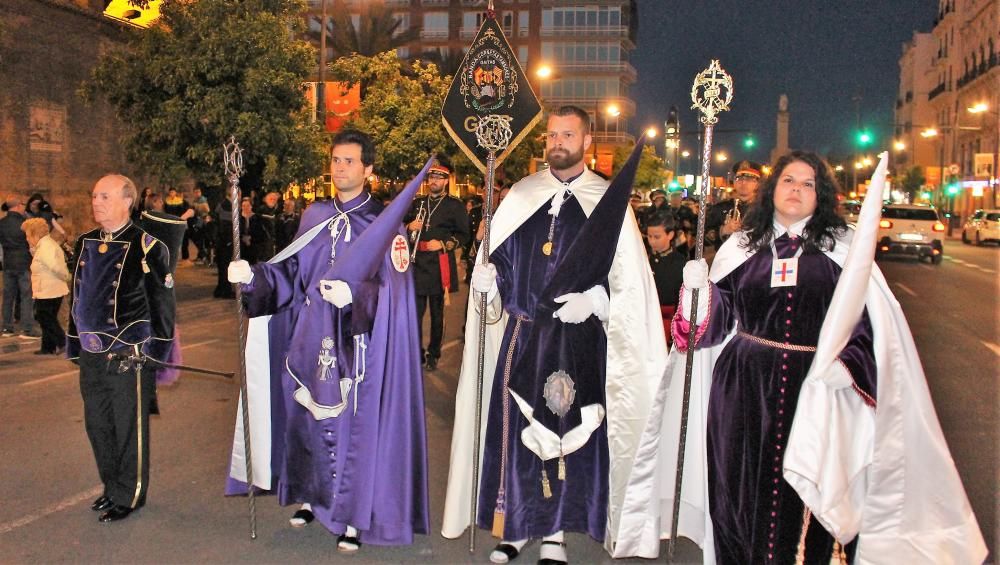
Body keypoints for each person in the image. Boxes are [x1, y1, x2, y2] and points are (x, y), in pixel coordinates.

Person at [638, 151, 986, 563]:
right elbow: (705, 332)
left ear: (819, 195)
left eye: (807, 184)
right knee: (737, 490)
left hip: (816, 389)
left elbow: (870, 324)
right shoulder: (741, 247)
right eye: (788, 181)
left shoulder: (844, 250)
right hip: (742, 389)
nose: (796, 190)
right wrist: (698, 296)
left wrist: (847, 366)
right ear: (774, 188)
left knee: (807, 492)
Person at [442, 106, 667, 564]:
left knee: (567, 435)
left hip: (577, 340)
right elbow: (501, 267)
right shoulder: (523, 194)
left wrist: (598, 302)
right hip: (522, 338)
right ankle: (516, 526)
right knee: (516, 435)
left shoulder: (608, 204)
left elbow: (629, 283)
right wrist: (487, 285)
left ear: (587, 143)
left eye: (568, 134)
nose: (556, 142)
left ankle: (556, 533)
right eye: (551, 135)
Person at [225, 130, 429, 552]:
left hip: (356, 345)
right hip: (308, 337)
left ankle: (351, 517)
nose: (339, 168)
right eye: (336, 160)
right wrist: (254, 276)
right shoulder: (313, 216)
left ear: (368, 169)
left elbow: (398, 289)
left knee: (351, 428)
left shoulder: (384, 223)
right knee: (308, 424)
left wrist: (359, 295)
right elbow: (292, 274)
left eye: (349, 161)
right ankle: (312, 498)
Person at [67, 174, 175, 523]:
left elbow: (162, 305)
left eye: (105, 196)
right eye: (95, 195)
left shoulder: (147, 245)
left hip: (128, 352)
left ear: (127, 201)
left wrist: (154, 352)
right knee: (98, 424)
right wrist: (74, 342)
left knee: (128, 426)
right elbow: (78, 298)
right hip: (91, 351)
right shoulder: (84, 242)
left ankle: (130, 494)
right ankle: (111, 486)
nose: (96, 202)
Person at [404, 159, 470, 370]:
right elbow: (399, 229)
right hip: (417, 265)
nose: (434, 181)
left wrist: (442, 243)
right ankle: (417, 354)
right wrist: (408, 226)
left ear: (446, 181)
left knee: (437, 315)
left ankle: (433, 354)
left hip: (440, 264)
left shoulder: (454, 205)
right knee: (414, 314)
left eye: (439, 177)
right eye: (431, 177)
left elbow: (464, 234)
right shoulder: (417, 203)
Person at [21, 217, 69, 354]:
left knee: (45, 317)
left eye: (28, 235)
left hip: (49, 290)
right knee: (47, 318)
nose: (27, 239)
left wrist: (66, 276)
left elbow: (55, 267)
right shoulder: (44, 245)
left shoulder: (46, 247)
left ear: (35, 234)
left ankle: (63, 342)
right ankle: (48, 347)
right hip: (49, 289)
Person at [0, 194, 38, 338]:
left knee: (8, 297)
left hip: (8, 264)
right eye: (22, 204)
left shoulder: (1, 223)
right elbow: (33, 244)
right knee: (26, 296)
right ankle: (27, 329)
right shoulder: (27, 223)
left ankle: (7, 328)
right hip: (24, 263)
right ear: (17, 206)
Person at [705, 159, 762, 252]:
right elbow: (704, 239)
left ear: (757, 184)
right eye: (739, 179)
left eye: (749, 179)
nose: (743, 183)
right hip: (725, 262)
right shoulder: (719, 208)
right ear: (734, 182)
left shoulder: (765, 209)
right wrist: (723, 230)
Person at [645, 211, 684, 346]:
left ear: (670, 235)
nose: (652, 241)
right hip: (644, 319)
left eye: (657, 237)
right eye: (649, 236)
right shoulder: (644, 258)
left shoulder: (680, 263)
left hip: (667, 323)